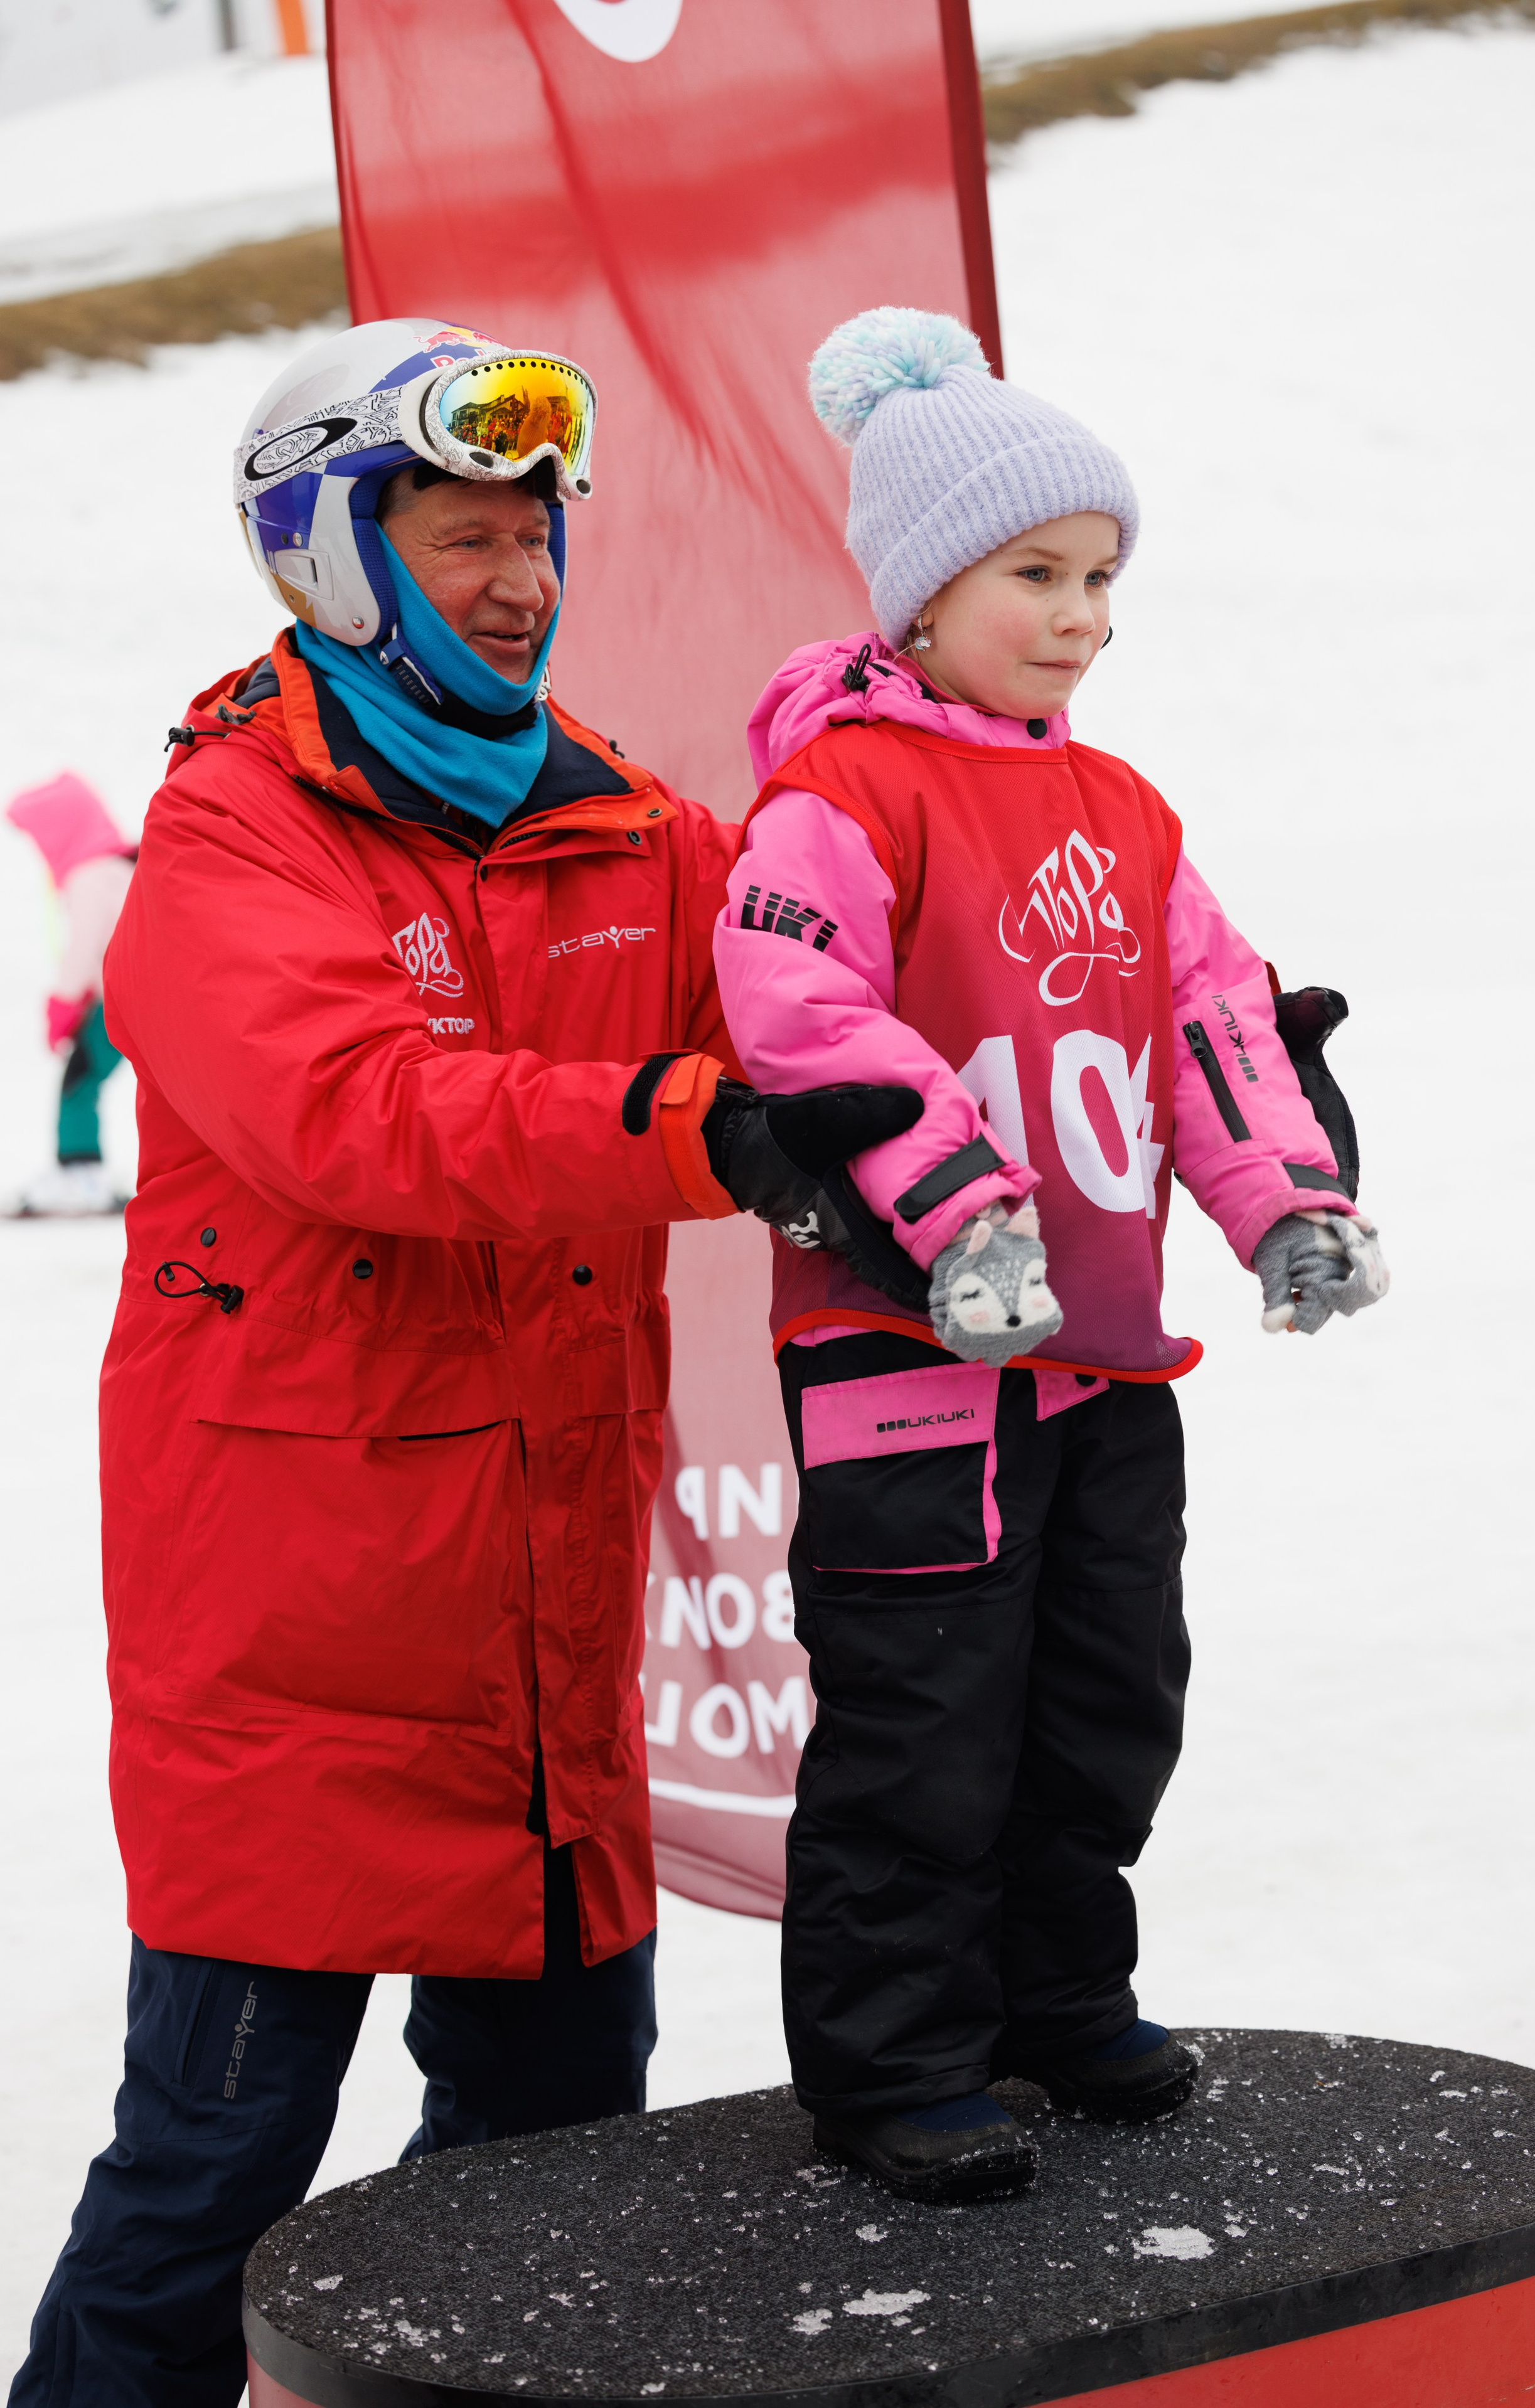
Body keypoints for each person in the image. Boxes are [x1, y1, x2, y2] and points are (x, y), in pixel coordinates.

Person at [9, 317, 914, 2407]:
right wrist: (701, 1135)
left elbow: (827, 984)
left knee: (558, 2183)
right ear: (334, 550)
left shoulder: (625, 828)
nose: (520, 577)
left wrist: (1120, 1011)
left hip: (540, 1661)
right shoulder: (237, 834)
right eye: (461, 531)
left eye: (537, 531)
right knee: (208, 2179)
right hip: (297, 1671)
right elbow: (368, 1111)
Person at [712, 307, 1390, 2204]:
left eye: (1100, 575)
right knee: (925, 1713)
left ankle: (1054, 1995)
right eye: (1035, 573)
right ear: (923, 592)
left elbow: (1218, 1018)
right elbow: (799, 1016)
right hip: (907, 1349)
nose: (1082, 613)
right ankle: (893, 2059)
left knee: (1103, 1694)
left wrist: (1287, 1202)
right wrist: (958, 1212)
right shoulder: (835, 796)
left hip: (1099, 1350)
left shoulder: (1122, 809)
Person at [4, 773, 135, 1217]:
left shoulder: (89, 874)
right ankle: (82, 1170)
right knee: (89, 1078)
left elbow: (85, 949)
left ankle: (81, 1174)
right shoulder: (120, 867)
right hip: (134, 995)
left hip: (121, 1001)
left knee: (79, 1079)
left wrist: (62, 1005)